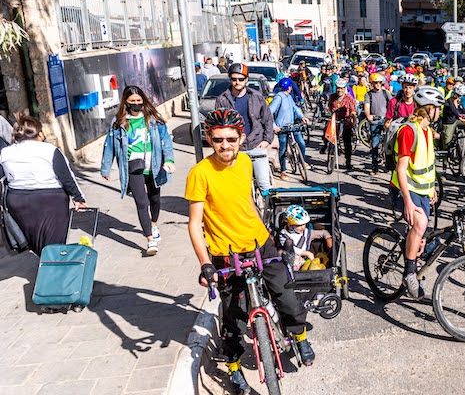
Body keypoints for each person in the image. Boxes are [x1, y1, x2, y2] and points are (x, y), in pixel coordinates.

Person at [186, 110, 314, 394]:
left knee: (287, 297)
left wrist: (270, 236)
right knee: (233, 318)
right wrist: (206, 264)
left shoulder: (245, 162)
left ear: (241, 138)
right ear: (209, 139)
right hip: (226, 254)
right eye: (218, 139)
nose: (225, 145)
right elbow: (194, 224)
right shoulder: (199, 173)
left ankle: (301, 337)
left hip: (260, 245)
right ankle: (233, 369)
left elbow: (248, 204)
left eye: (231, 139)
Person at [101, 86, 175, 255]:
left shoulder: (154, 119)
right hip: (133, 166)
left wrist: (169, 160)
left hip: (154, 165)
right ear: (126, 102)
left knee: (155, 198)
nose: (136, 104)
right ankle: (150, 241)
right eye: (132, 101)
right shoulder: (119, 122)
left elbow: (166, 141)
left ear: (143, 101)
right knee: (142, 203)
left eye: (139, 101)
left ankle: (153, 223)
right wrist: (106, 168)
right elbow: (110, 145)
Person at [0, 115, 87, 256]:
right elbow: (66, 176)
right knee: (55, 243)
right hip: (50, 200)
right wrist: (78, 198)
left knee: (35, 240)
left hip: (18, 201)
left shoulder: (5, 153)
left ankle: (46, 264)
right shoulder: (50, 150)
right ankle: (53, 272)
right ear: (39, 133)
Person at [390, 86, 446, 299]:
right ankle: (409, 273)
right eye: (437, 108)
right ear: (429, 109)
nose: (439, 113)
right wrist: (407, 202)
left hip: (422, 190)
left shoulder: (427, 132)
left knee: (422, 234)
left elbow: (426, 165)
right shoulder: (408, 131)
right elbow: (401, 169)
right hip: (404, 190)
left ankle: (410, 255)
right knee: (420, 224)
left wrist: (431, 188)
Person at [215, 63, 276, 194]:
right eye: (234, 79)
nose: (237, 82)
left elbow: (268, 119)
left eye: (241, 79)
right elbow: (219, 126)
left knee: (264, 185)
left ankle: (269, 213)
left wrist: (267, 140)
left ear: (246, 79)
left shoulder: (256, 96)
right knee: (240, 189)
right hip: (236, 149)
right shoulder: (222, 99)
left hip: (256, 145)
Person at [270, 77, 311, 179]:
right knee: (283, 149)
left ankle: (302, 161)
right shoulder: (278, 98)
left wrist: (302, 117)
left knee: (301, 143)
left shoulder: (288, 97)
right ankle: (283, 171)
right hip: (282, 128)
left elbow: (295, 108)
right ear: (289, 88)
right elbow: (269, 112)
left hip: (292, 125)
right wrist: (274, 126)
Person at [278, 204, 333, 271]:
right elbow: (291, 248)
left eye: (304, 224)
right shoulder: (283, 234)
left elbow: (324, 233)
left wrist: (328, 239)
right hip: (288, 261)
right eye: (299, 225)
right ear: (290, 225)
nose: (303, 227)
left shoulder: (307, 233)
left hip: (304, 261)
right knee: (283, 250)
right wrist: (307, 253)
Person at [326, 78, 357, 169]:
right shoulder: (332, 97)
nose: (339, 90)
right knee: (329, 138)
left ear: (344, 88)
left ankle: (348, 160)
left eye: (341, 88)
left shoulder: (349, 98)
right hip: (335, 121)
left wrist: (352, 116)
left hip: (346, 122)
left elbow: (353, 110)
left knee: (347, 142)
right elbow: (329, 108)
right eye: (338, 88)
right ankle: (330, 156)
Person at [364, 73, 392, 174]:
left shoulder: (386, 93)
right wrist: (369, 115)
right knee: (375, 144)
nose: (378, 84)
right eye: (376, 83)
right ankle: (374, 166)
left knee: (389, 144)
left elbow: (392, 105)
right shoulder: (368, 94)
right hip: (375, 121)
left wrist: (390, 116)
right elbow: (367, 107)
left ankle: (389, 164)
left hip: (385, 121)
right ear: (372, 83)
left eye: (380, 82)